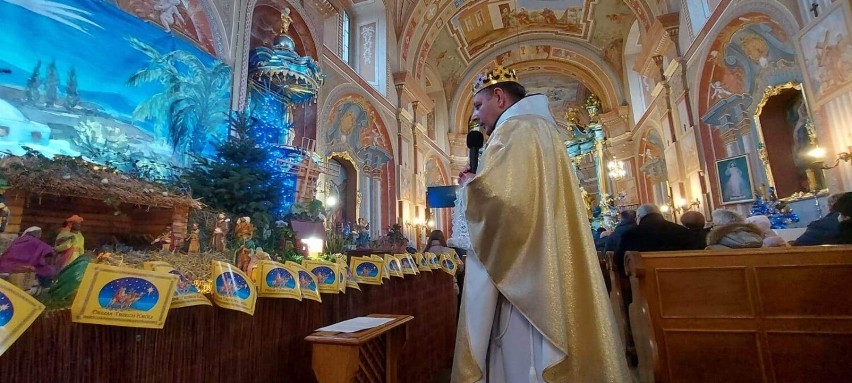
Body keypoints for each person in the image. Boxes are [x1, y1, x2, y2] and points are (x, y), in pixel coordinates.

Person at [452, 66, 629, 382]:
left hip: (526, 280)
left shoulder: (514, 131)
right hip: (541, 263)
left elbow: (509, 206)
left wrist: (471, 186)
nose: (476, 116)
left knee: (523, 359)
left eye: (478, 105)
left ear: (499, 96)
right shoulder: (540, 129)